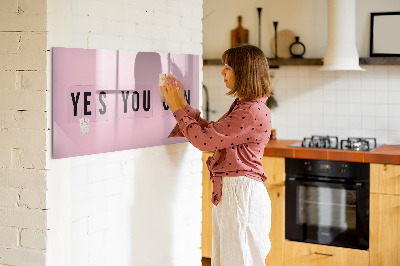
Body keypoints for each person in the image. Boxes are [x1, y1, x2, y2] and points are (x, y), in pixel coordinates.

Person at [161, 44, 273, 266]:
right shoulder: (246, 106)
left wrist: (176, 108)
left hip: (241, 195)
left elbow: (204, 141)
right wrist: (182, 104)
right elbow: (212, 133)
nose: (222, 72)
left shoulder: (250, 111)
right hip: (236, 193)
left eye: (228, 67)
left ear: (244, 72)